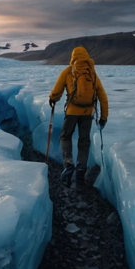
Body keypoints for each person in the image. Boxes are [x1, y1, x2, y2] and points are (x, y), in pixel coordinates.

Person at [49, 46, 109, 186]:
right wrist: (103, 117)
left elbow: (57, 91)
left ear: (73, 57)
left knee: (65, 136)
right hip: (87, 113)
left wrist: (53, 99)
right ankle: (81, 172)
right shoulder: (92, 73)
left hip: (71, 112)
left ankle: (68, 162)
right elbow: (102, 96)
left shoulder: (68, 72)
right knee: (83, 142)